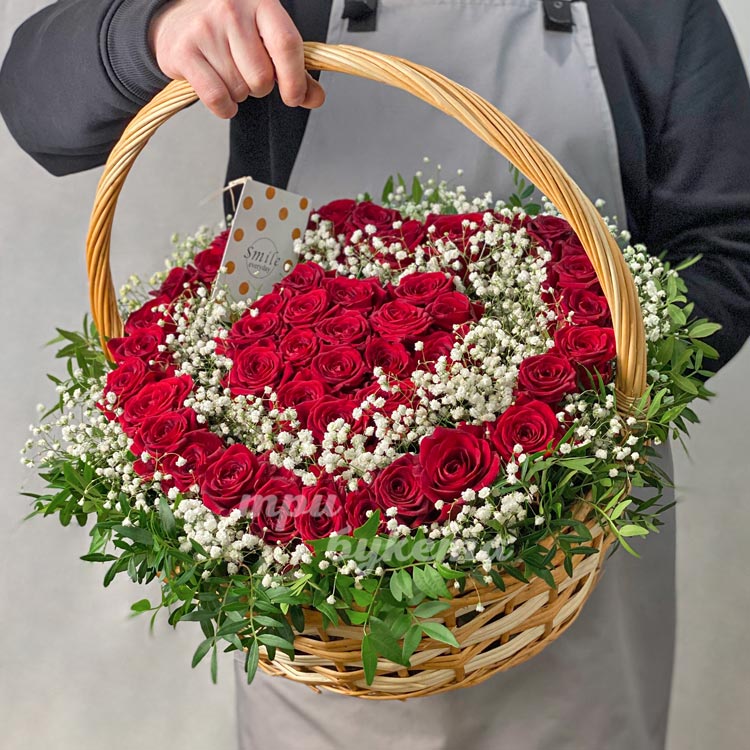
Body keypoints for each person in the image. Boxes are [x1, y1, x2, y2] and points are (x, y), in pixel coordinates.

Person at [2, 2, 750, 749]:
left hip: (572, 552)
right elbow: (37, 105)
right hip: (300, 569)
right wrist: (155, 28)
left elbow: (728, 244)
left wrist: (578, 396)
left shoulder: (653, 12)